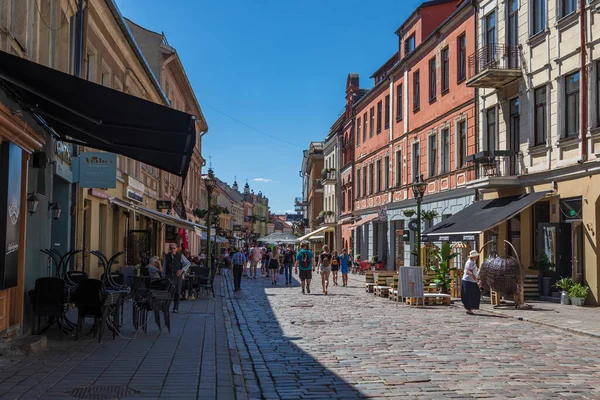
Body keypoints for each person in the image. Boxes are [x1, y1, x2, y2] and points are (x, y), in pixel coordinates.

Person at [163, 244, 191, 313]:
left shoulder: (180, 255)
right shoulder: (167, 256)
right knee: (168, 292)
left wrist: (182, 270)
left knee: (177, 293)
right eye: (171, 248)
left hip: (177, 277)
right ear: (169, 249)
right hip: (169, 276)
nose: (173, 250)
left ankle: (175, 308)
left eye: (174, 248)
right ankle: (166, 307)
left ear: (176, 249)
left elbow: (188, 263)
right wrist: (163, 277)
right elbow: (164, 267)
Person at [461, 250, 481, 315]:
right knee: (469, 295)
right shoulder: (470, 262)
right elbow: (470, 272)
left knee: (474, 294)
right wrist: (476, 280)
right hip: (468, 281)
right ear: (474, 256)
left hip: (471, 281)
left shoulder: (472, 262)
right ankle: (468, 308)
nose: (477, 257)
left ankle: (470, 308)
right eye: (476, 256)